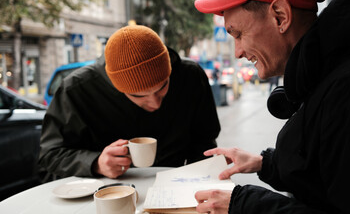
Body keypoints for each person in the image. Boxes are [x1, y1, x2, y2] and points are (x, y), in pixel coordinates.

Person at [193, 0, 350, 213]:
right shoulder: (321, 72)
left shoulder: (348, 91)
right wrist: (264, 164)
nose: (237, 52)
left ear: (280, 16)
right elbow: (320, 169)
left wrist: (245, 205)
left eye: (239, 34)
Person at [39, 25, 220, 180]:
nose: (155, 103)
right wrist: (95, 163)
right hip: (105, 194)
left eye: (162, 88)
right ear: (117, 87)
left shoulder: (190, 76)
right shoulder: (77, 90)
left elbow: (204, 140)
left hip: (176, 188)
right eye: (138, 96)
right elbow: (50, 154)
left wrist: (201, 180)